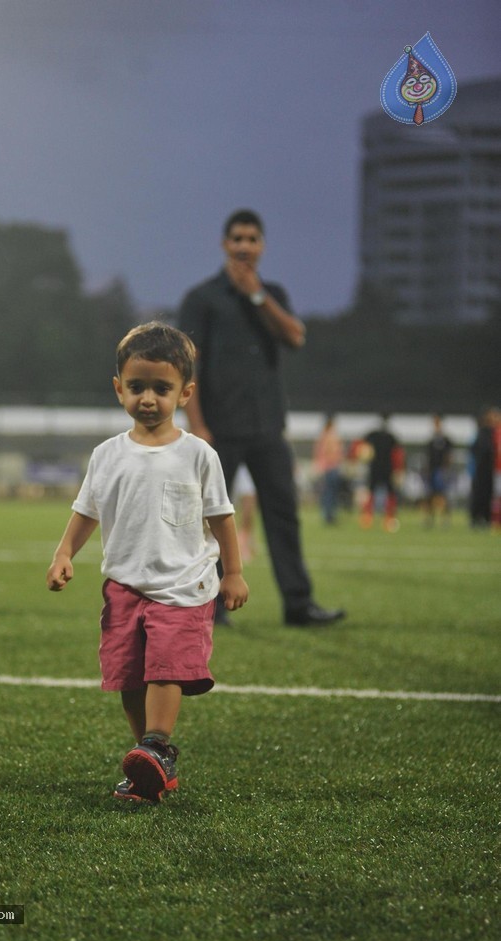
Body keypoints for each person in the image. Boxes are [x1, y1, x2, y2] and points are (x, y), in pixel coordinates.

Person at [46, 322, 248, 803]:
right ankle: (148, 763)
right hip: (123, 587)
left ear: (185, 392)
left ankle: (159, 746)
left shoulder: (199, 455)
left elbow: (222, 517)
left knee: (164, 668)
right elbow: (86, 511)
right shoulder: (107, 455)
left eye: (162, 388)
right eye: (137, 387)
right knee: (129, 674)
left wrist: (234, 572)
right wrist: (63, 553)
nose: (149, 398)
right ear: (119, 389)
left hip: (183, 587)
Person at [178, 208, 345, 627]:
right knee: (211, 520)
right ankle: (210, 605)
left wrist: (257, 295)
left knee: (283, 515)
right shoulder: (202, 299)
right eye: (237, 238)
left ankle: (298, 604)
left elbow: (295, 336)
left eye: (252, 239)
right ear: (224, 244)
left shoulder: (271, 295)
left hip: (268, 426)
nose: (244, 246)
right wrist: (198, 426)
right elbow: (187, 367)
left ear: (262, 246)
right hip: (219, 427)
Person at [360, 413, 403, 532]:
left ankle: (370, 518)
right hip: (386, 469)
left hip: (376, 468)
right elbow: (398, 454)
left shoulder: (373, 435)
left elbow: (361, 446)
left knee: (373, 492)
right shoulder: (390, 437)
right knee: (387, 493)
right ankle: (386, 518)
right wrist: (398, 469)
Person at [422, 414, 453, 527]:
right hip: (432, 471)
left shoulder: (446, 440)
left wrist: (446, 470)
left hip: (441, 471)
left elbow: (449, 456)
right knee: (430, 495)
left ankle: (446, 519)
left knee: (442, 495)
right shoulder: (431, 441)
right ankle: (430, 519)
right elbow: (428, 457)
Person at [313, 414, 345, 525]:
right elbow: (331, 452)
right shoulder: (331, 436)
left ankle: (328, 514)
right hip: (331, 466)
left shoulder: (324, 435)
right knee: (330, 492)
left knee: (328, 491)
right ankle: (329, 515)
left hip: (328, 467)